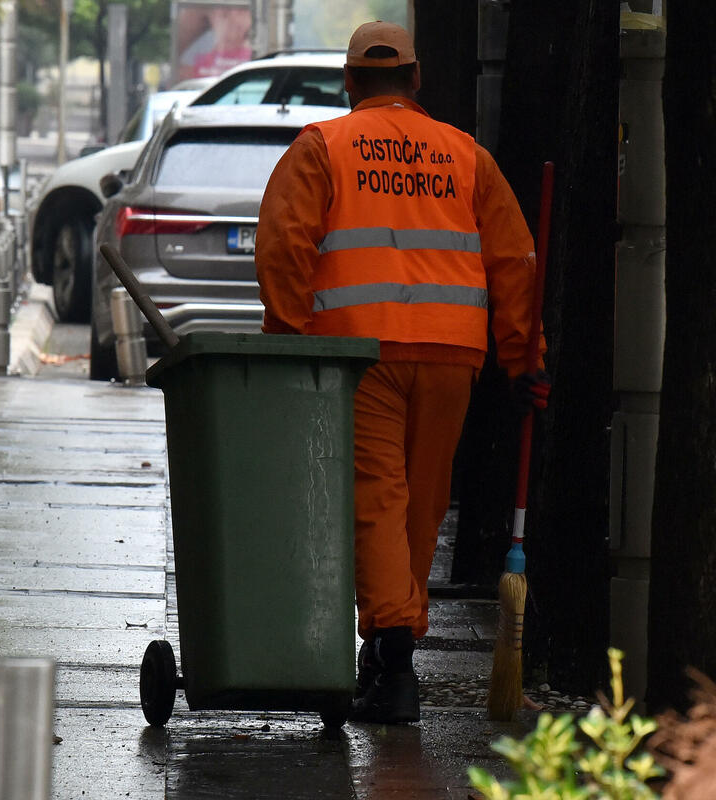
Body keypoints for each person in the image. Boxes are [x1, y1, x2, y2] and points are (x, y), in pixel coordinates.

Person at [254, 20, 549, 724]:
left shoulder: (322, 148)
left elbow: (283, 248)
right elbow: (515, 262)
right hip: (453, 354)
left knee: (377, 499)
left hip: (360, 355)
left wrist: (289, 343)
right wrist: (523, 358)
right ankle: (392, 642)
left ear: (350, 82)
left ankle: (392, 661)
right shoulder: (466, 155)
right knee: (420, 502)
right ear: (416, 80)